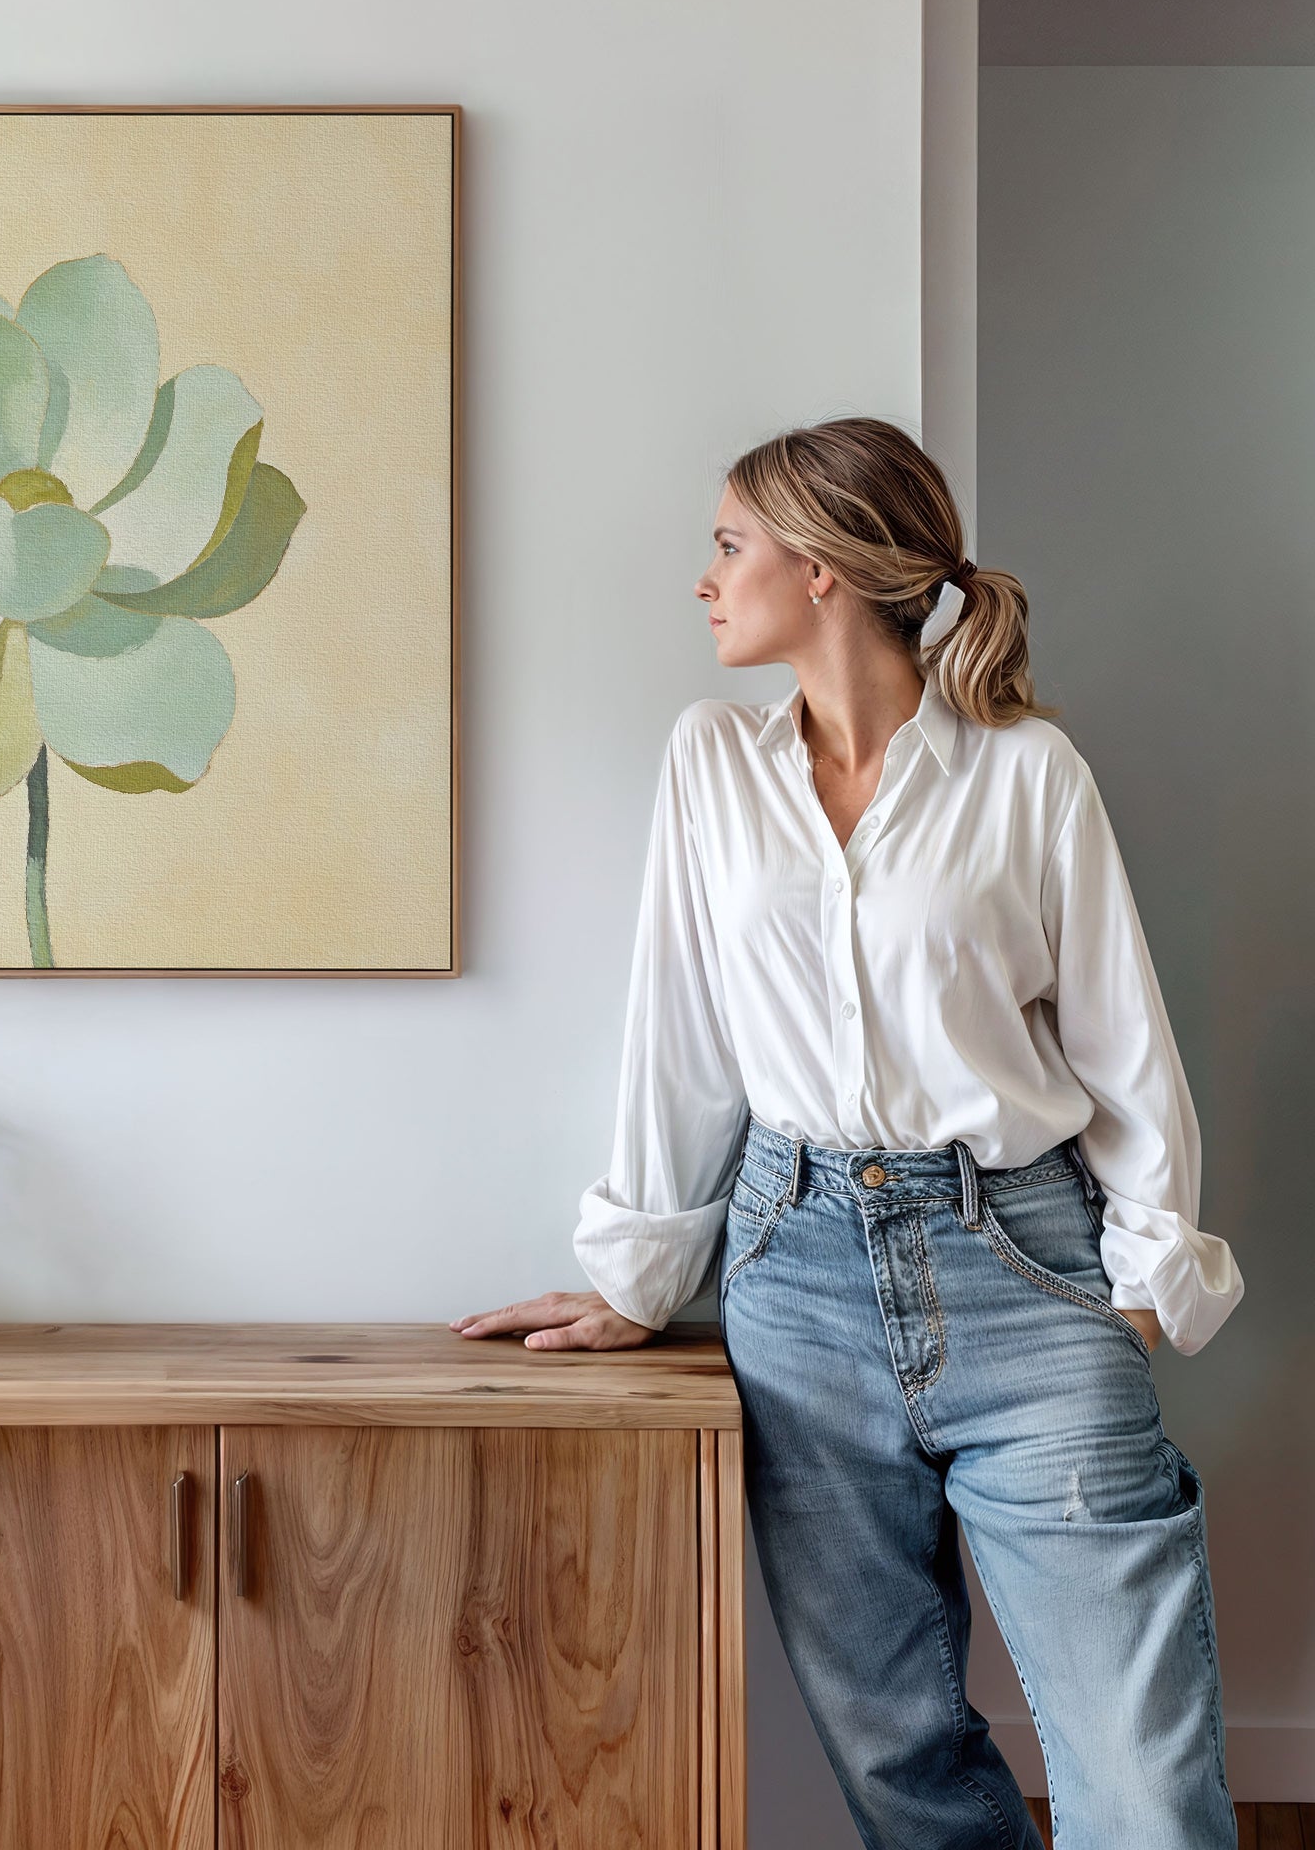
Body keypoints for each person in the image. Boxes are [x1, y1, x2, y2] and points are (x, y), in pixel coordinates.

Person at [451, 418, 1244, 1849]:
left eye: (728, 544)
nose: (705, 579)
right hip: (795, 1274)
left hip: (1026, 1262)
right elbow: (678, 1033)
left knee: (1141, 1777)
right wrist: (642, 1276)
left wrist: (1140, 1281)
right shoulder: (711, 765)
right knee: (899, 1762)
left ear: (821, 571)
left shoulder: (1026, 774)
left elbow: (1125, 1044)